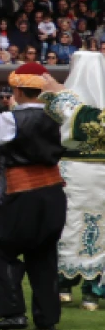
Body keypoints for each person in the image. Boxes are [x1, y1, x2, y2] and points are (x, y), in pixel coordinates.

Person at [0, 63, 67, 330]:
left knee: (5, 247)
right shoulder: (61, 117)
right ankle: (47, 316)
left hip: (22, 192)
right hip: (53, 191)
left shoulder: (9, 120)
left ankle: (13, 312)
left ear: (17, 90)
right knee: (44, 252)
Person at [53, 50, 105, 309]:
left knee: (70, 224)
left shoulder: (69, 104)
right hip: (102, 172)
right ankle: (92, 291)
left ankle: (63, 286)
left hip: (72, 169)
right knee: (99, 227)